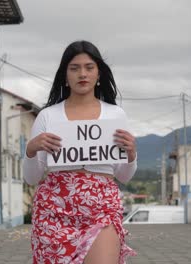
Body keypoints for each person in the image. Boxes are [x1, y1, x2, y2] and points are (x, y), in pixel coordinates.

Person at [23, 40, 138, 264]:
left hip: (102, 206)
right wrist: (30, 149)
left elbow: (124, 175)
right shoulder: (48, 116)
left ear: (99, 74)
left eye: (89, 67)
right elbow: (31, 177)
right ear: (65, 76)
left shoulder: (116, 115)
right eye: (74, 68)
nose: (82, 74)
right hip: (55, 208)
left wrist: (131, 154)